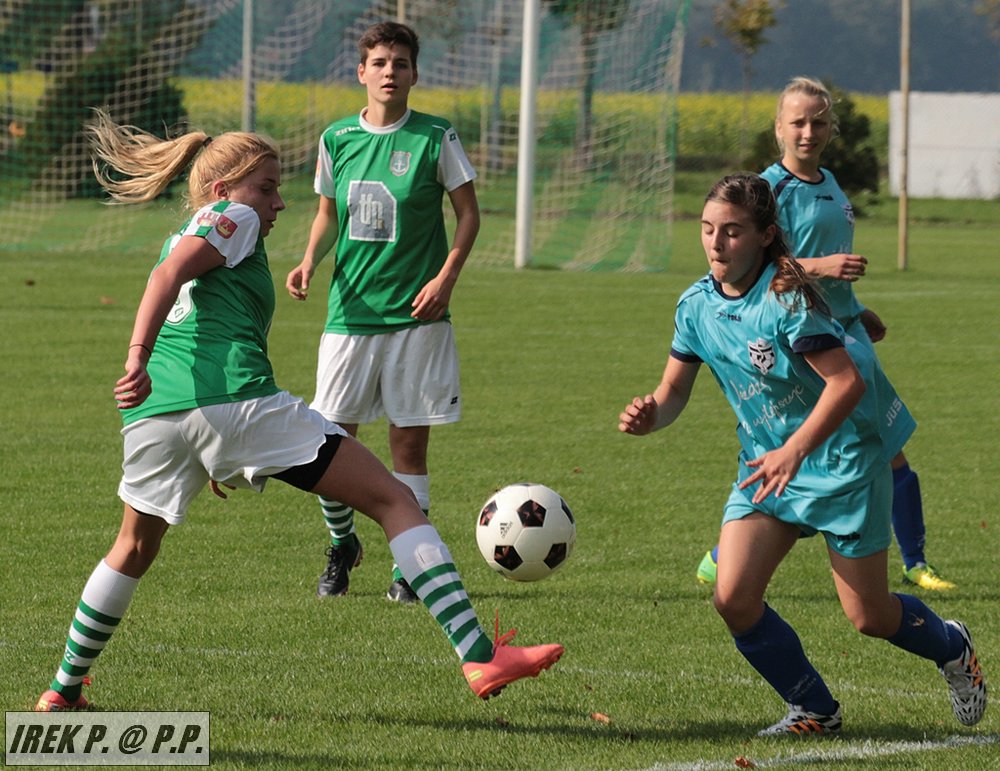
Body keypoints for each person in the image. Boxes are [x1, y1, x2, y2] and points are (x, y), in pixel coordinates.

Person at [33, 110, 562, 712]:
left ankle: (63, 688)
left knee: (131, 548)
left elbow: (179, 284)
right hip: (234, 403)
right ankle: (479, 653)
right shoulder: (230, 216)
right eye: (266, 188)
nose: (278, 203)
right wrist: (137, 357)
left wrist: (206, 444)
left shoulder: (191, 231)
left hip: (159, 418)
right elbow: (167, 276)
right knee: (394, 500)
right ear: (222, 189)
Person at [619, 173, 986, 736]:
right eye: (708, 229)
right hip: (768, 470)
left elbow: (846, 383)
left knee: (870, 617)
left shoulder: (786, 300)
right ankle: (814, 708)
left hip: (841, 464)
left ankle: (952, 646)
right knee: (733, 598)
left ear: (766, 235)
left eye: (732, 231)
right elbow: (672, 393)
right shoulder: (694, 306)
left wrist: (795, 449)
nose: (716, 243)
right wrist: (651, 416)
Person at [696, 76, 954, 591]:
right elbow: (761, 272)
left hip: (844, 330)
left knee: (883, 447)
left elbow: (819, 280)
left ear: (831, 128)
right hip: (808, 345)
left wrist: (857, 308)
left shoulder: (830, 183)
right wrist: (825, 266)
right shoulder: (768, 191)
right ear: (778, 128)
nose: (808, 132)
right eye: (798, 122)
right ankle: (727, 555)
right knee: (858, 452)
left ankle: (914, 560)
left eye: (818, 122)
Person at [286, 21, 479, 603]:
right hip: (350, 316)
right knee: (328, 445)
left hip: (417, 319)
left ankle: (409, 567)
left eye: (400, 62)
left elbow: (468, 215)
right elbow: (327, 214)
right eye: (379, 62)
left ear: (414, 74)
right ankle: (341, 545)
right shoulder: (337, 138)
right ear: (361, 72)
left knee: (408, 448)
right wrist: (309, 261)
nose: (390, 71)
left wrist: (445, 279)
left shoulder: (435, 137)